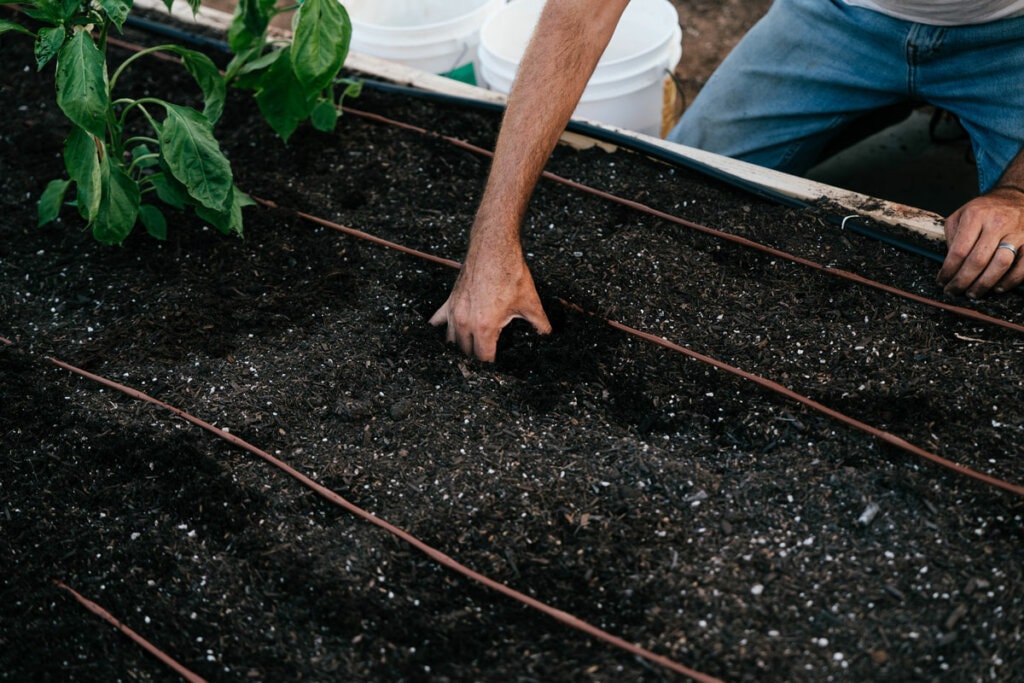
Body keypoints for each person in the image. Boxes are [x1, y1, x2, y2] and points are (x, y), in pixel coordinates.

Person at [429, 0, 1024, 361]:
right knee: (680, 185)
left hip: (1008, 40)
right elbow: (579, 16)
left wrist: (1016, 192)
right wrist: (491, 243)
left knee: (1008, 263)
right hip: (841, 17)